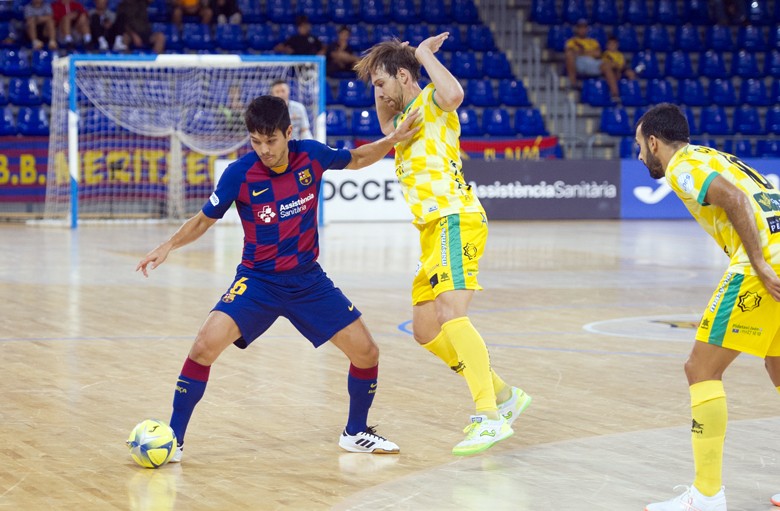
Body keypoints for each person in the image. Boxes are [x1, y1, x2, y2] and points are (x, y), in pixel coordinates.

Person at [136, 95, 421, 462]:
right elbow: (205, 218)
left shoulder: (313, 156)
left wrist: (393, 139)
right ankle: (174, 440)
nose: (264, 150)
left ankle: (355, 432)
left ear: (288, 133)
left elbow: (359, 159)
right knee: (203, 346)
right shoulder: (239, 174)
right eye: (256, 141)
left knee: (367, 353)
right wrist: (169, 245)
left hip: (308, 281)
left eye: (271, 141)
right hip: (258, 282)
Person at [354, 33, 532, 457]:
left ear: (403, 76)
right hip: (432, 230)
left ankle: (488, 415)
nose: (376, 94)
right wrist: (383, 79)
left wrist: (419, 56)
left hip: (455, 217)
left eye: (381, 84)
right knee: (425, 329)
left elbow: (454, 93)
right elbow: (383, 124)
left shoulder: (432, 98)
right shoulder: (401, 122)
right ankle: (505, 394)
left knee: (452, 313)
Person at [636, 103, 780, 511]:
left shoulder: (683, 165)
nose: (639, 157)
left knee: (700, 369)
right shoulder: (713, 156)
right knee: (778, 365)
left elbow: (733, 198)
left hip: (762, 266)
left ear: (653, 142)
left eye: (639, 147)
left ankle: (707, 494)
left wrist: (757, 262)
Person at [564, 18, 620, 102]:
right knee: (569, 56)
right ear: (577, 29)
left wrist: (581, 52)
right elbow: (570, 52)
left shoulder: (593, 42)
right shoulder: (572, 41)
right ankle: (573, 84)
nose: (582, 30)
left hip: (593, 63)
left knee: (607, 64)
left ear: (587, 29)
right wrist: (589, 52)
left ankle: (615, 95)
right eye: (580, 27)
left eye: (584, 28)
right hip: (579, 63)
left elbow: (598, 54)